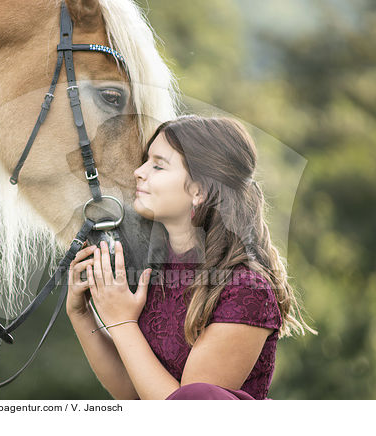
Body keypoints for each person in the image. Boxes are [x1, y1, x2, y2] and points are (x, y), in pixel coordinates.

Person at [66, 115, 316, 400]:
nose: (139, 172)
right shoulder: (155, 270)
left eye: (158, 165)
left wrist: (122, 321)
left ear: (198, 190)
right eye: (146, 161)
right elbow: (132, 393)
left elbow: (187, 408)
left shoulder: (246, 289)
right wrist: (83, 314)